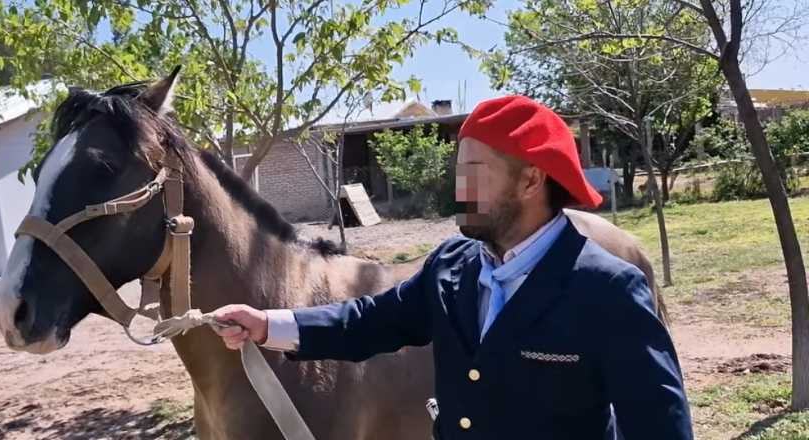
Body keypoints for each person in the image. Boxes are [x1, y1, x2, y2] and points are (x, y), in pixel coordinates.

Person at [210, 95, 693, 439]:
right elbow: (369, 322)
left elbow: (659, 425)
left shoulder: (607, 290)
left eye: (474, 173)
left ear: (530, 180)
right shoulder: (452, 267)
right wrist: (267, 325)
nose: (458, 189)